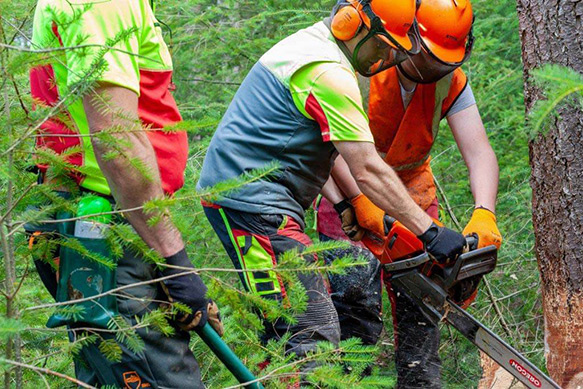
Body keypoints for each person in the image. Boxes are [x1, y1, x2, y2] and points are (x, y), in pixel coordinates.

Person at [197, 0, 467, 376]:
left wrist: (346, 204)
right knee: (309, 336)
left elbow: (305, 142)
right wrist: (430, 232)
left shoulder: (318, 50)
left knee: (289, 332)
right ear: (351, 22)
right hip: (250, 206)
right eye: (384, 45)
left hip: (261, 201)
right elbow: (368, 167)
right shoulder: (328, 73)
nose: (388, 58)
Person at [29, 0, 221, 387]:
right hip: (104, 231)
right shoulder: (106, 4)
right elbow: (117, 139)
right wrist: (175, 262)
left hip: (106, 221)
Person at [316, 0, 503, 387]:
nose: (436, 70)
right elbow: (326, 145)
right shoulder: (361, 67)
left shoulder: (451, 81)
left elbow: (480, 151)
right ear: (409, 37)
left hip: (414, 195)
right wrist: (357, 202)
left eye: (445, 63)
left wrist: (484, 213)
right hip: (350, 192)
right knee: (355, 307)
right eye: (431, 60)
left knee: (422, 312)